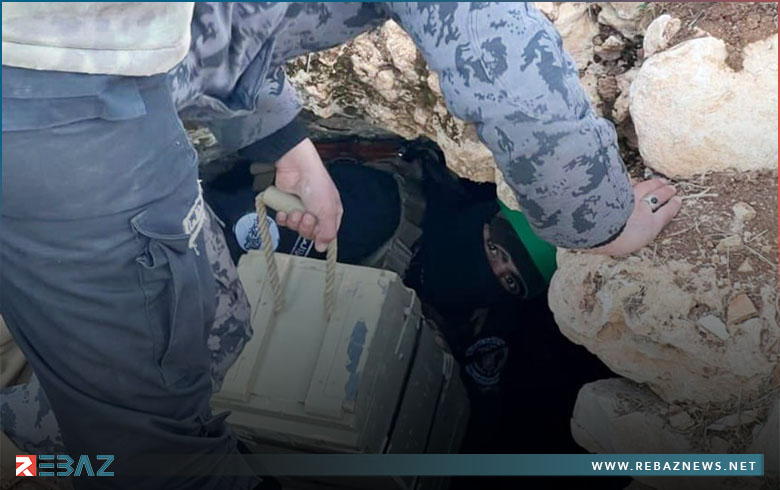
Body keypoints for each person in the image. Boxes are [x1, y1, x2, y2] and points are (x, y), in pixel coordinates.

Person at [1, 3, 681, 489]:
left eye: (509, 277)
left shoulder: (474, 327)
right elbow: (498, 47)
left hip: (82, 82)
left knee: (209, 337)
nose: (496, 266)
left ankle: (44, 433)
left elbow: (206, 22)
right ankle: (31, 449)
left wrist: (277, 135)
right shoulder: (379, 213)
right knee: (150, 437)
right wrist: (600, 222)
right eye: (499, 247)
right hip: (60, 109)